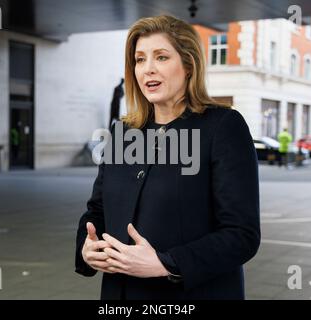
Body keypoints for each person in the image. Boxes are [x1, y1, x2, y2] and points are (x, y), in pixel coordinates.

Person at [75, 15, 260, 300]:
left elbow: (242, 235)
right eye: (139, 60)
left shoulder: (223, 127)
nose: (148, 69)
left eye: (161, 57)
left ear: (188, 65)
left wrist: (167, 264)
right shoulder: (122, 132)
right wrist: (88, 249)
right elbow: (97, 210)